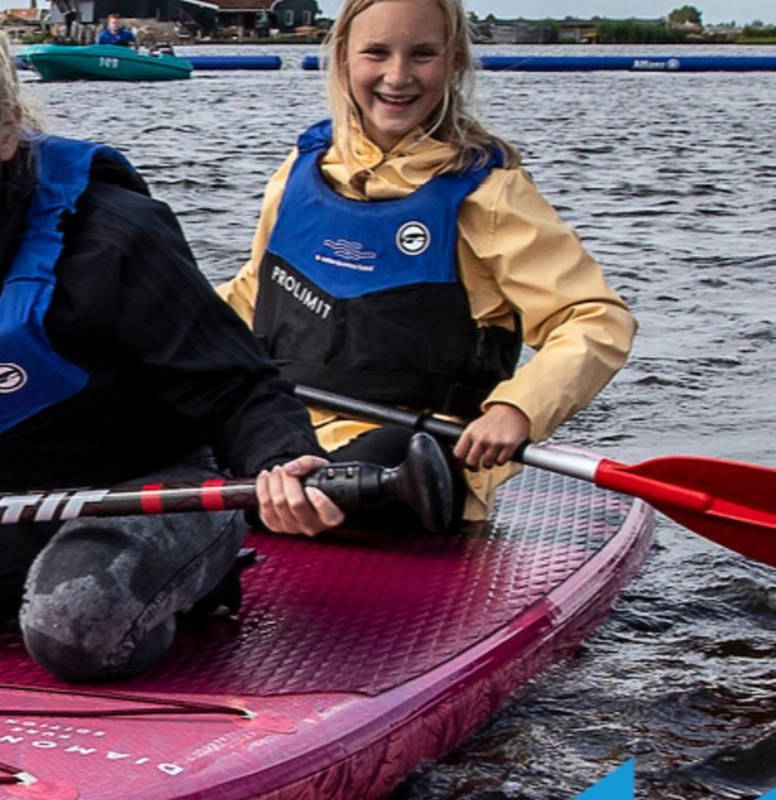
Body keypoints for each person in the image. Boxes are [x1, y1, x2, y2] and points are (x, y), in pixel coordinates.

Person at [0, 5, 431, 683]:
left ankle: (193, 578)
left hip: (153, 484)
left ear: (6, 131)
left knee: (78, 631)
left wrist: (280, 464)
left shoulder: (110, 237)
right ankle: (23, 579)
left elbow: (237, 384)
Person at [217, 0, 636, 526]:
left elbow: (595, 318)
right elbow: (251, 295)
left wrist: (518, 409)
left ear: (454, 62)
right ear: (343, 58)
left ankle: (264, 508)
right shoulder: (298, 174)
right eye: (376, 53)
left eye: (422, 55)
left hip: (410, 448)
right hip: (281, 429)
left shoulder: (489, 196)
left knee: (382, 461)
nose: (398, 76)